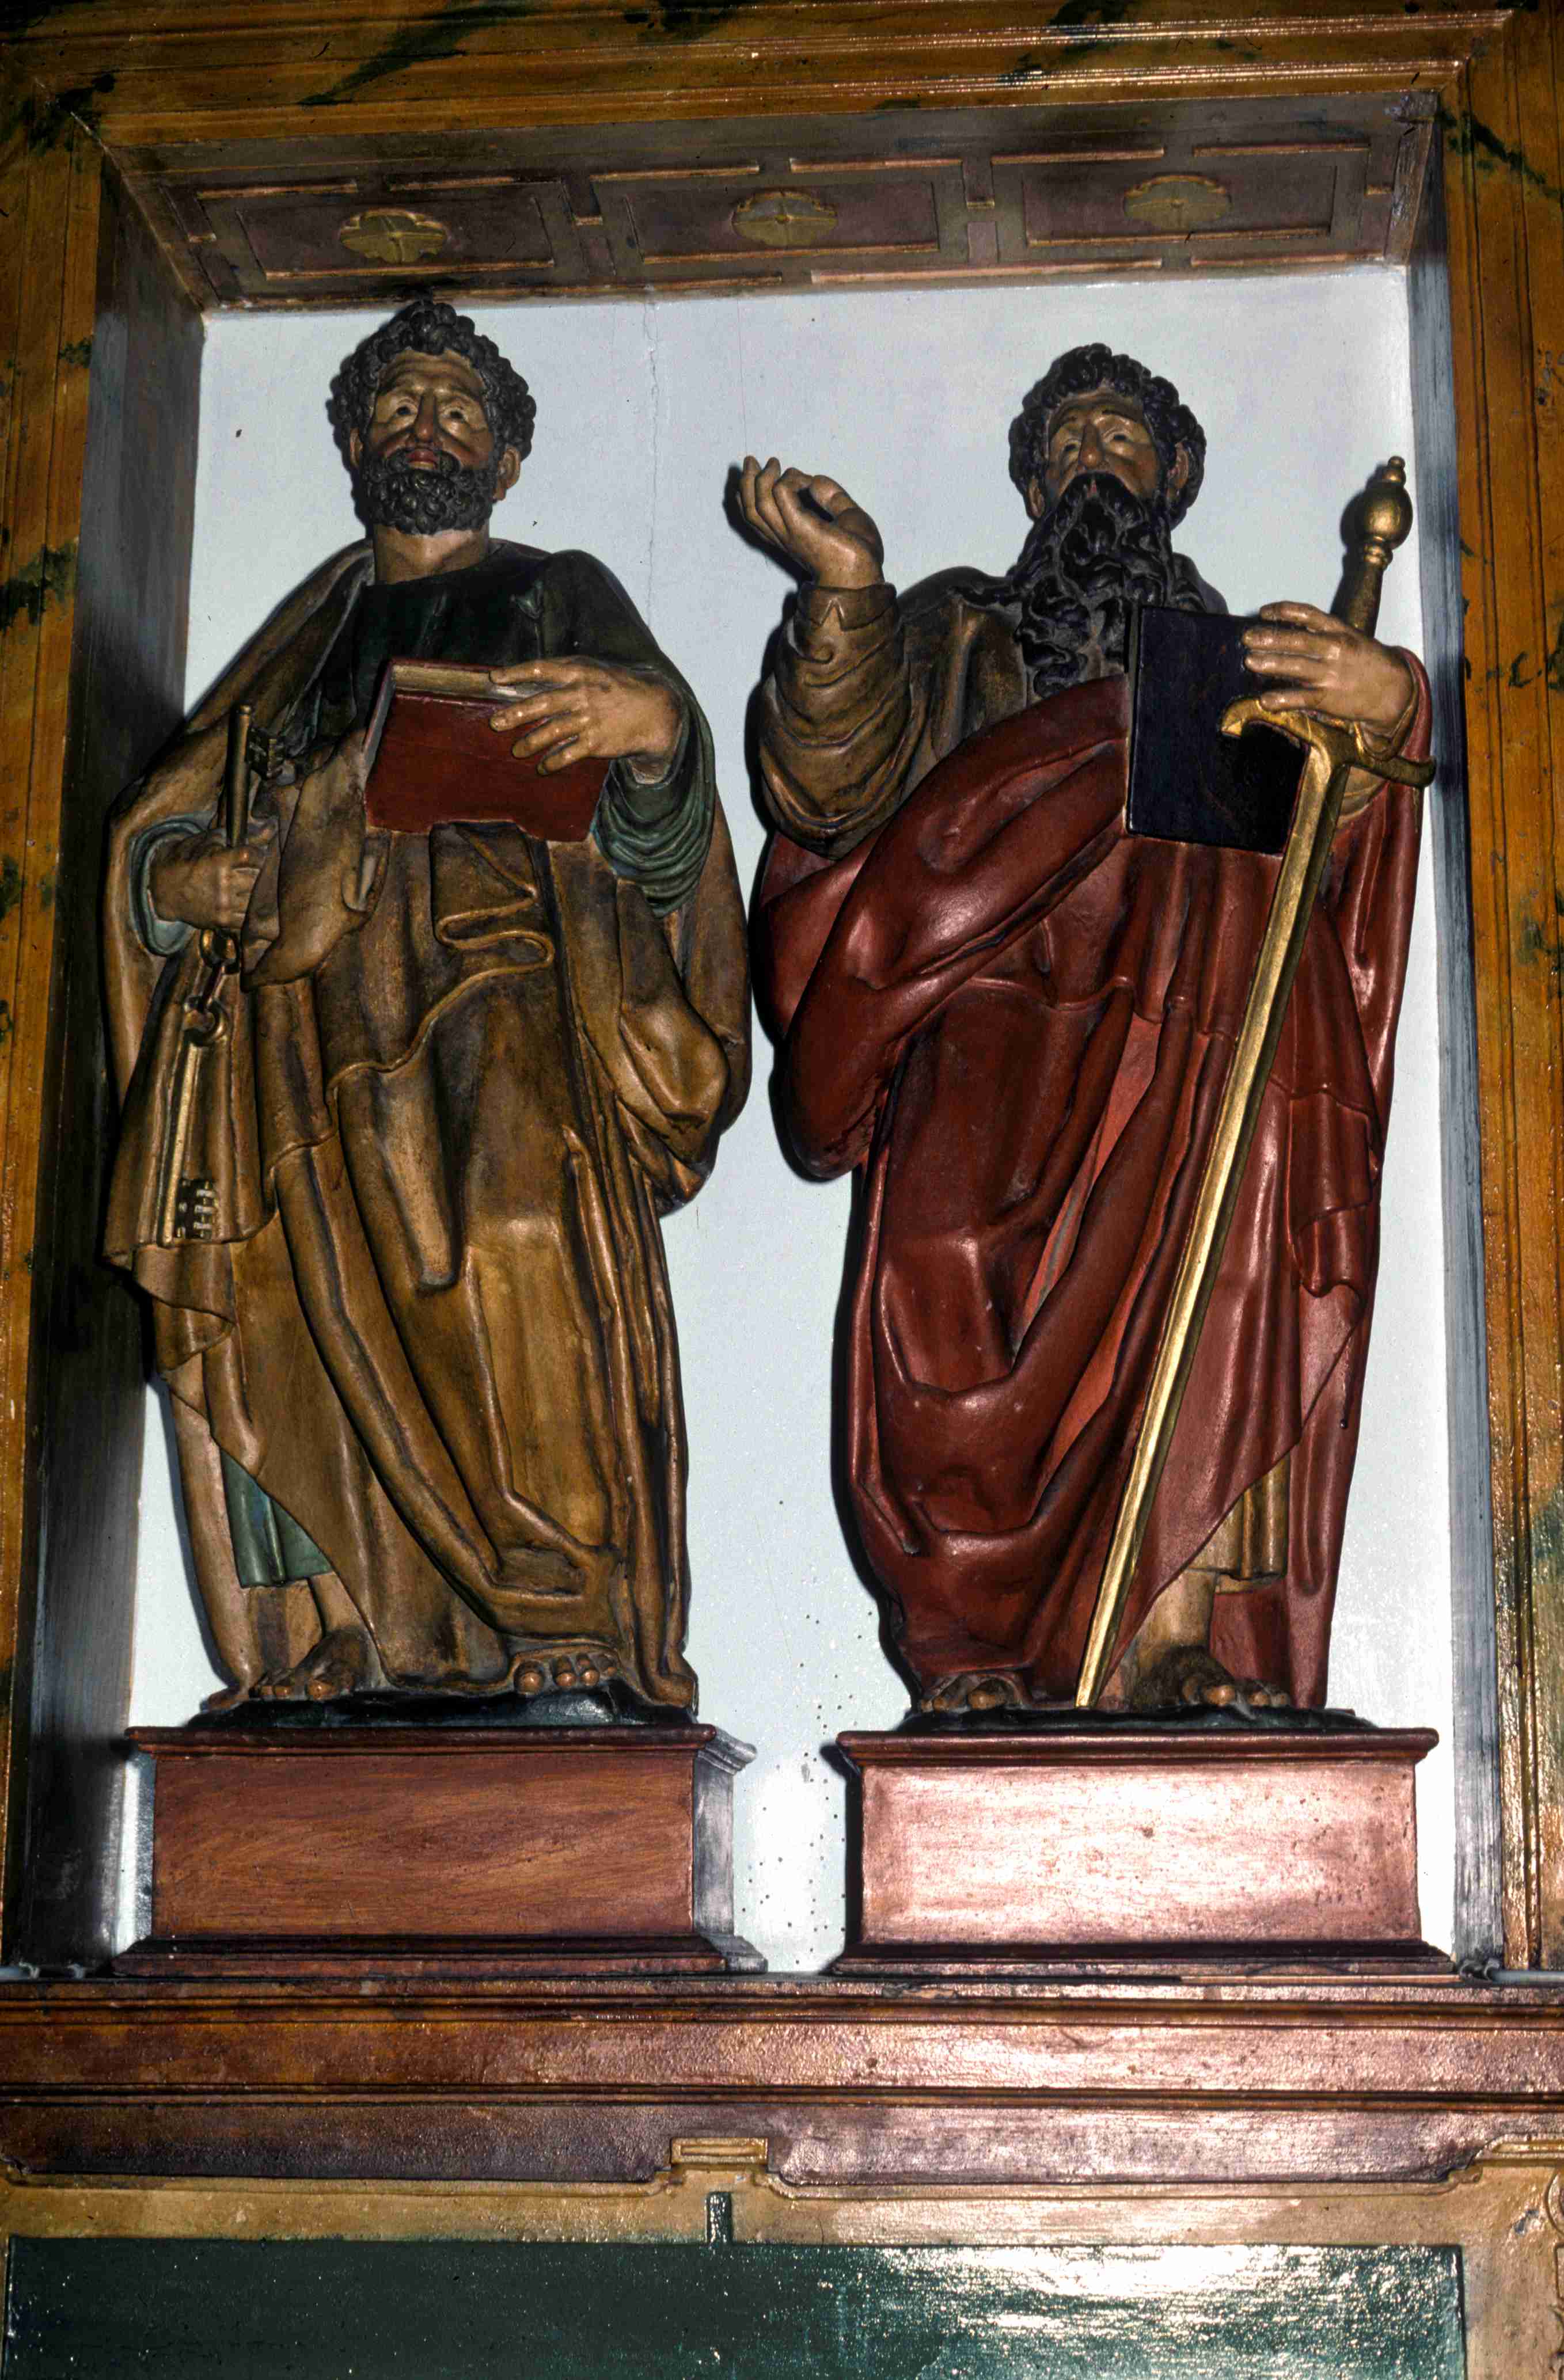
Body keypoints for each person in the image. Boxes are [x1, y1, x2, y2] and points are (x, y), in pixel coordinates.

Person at [741, 343, 1428, 1716]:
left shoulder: (1240, 661)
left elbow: (1321, 853)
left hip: (1185, 1008)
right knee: (942, 1274)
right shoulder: (952, 629)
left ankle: (1167, 1638)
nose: (1091, 463)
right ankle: (970, 1654)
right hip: (982, 990)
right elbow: (828, 787)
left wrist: (1387, 706)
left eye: (1120, 441)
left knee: (1208, 1281)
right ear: (1029, 486)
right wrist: (844, 595)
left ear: (1173, 478)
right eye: (1064, 446)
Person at [105, 298, 748, 1710]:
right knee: (299, 1297)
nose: (427, 430)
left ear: (507, 458)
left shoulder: (555, 588)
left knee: (520, 1251)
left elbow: (658, 831)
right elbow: (173, 821)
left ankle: (562, 1606)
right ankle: (350, 1628)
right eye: (397, 407)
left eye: (461, 411)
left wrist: (653, 733)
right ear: (352, 444)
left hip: (499, 986)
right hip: (306, 1013)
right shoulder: (309, 635)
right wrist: (179, 881)